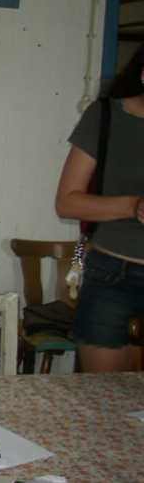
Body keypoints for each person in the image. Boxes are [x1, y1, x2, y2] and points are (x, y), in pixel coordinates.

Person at [55, 43, 144, 373]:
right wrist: (133, 206)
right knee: (104, 396)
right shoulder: (105, 116)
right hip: (114, 277)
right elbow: (67, 202)